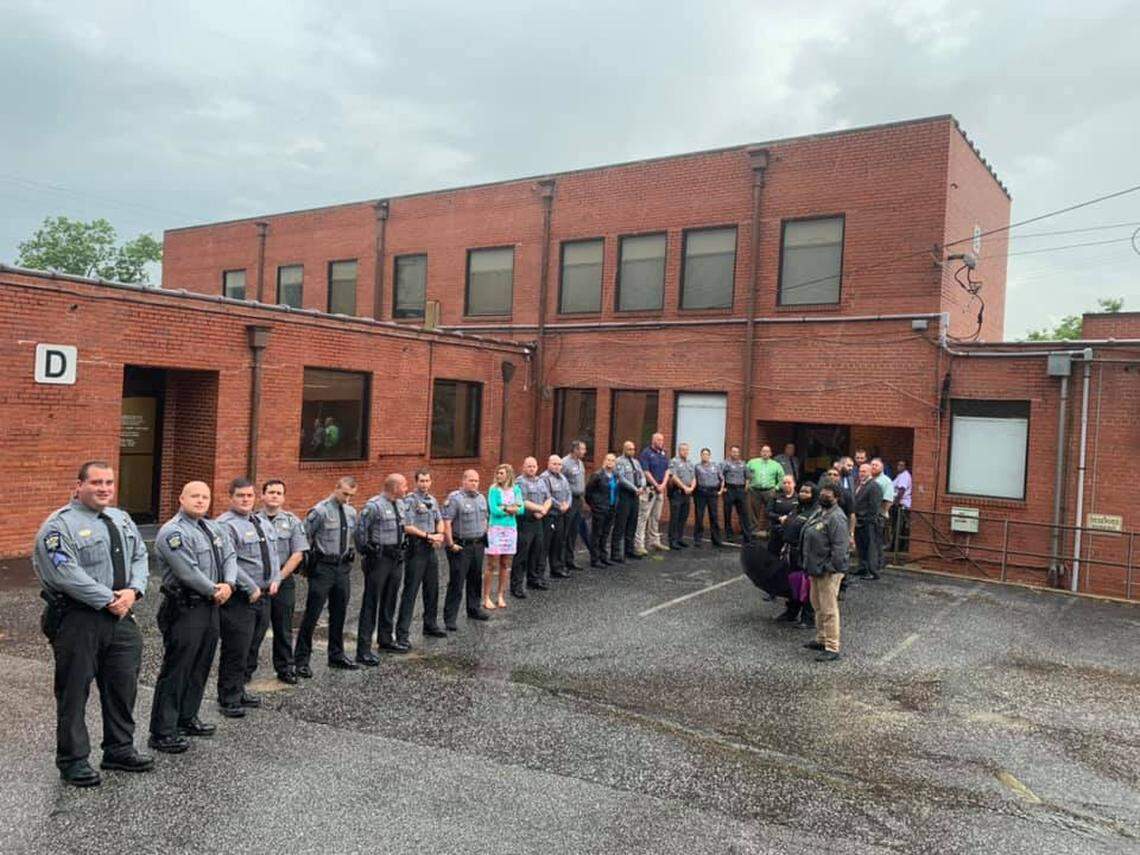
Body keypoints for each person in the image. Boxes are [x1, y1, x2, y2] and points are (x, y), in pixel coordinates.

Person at [33, 460, 152, 786]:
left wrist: (134, 591)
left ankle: (119, 749)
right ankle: (73, 760)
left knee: (123, 686)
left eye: (109, 483)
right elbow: (65, 573)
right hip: (79, 619)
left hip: (123, 616)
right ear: (79, 485)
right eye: (96, 482)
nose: (104, 488)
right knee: (74, 692)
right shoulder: (59, 527)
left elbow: (140, 556)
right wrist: (108, 599)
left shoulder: (121, 518)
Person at [150, 481, 237, 754]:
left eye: (205, 497)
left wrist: (230, 584)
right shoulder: (172, 532)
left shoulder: (213, 528)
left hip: (210, 605)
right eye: (195, 496)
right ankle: (163, 731)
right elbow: (187, 571)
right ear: (181, 498)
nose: (200, 501)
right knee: (178, 668)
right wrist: (214, 590)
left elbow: (230, 556)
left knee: (201, 664)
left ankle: (187, 718)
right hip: (185, 607)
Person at [216, 478, 276, 718]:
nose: (246, 500)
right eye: (240, 496)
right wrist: (250, 587)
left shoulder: (261, 521)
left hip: (263, 595)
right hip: (241, 597)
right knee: (236, 649)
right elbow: (228, 561)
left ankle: (240, 690)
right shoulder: (225, 525)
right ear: (231, 497)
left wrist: (276, 579)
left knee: (252, 646)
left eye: (249, 496)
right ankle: (228, 697)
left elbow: (272, 554)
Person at [295, 476, 360, 675]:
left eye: (351, 495)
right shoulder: (320, 511)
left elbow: (350, 536)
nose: (347, 499)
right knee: (313, 614)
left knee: (339, 612)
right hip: (323, 567)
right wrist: (306, 564)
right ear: (336, 488)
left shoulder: (350, 512)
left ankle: (336, 655)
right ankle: (301, 660)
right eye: (344, 494)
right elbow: (304, 536)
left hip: (342, 567)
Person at [258, 479, 309, 684]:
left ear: (283, 497)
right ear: (262, 495)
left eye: (279, 493)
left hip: (283, 580)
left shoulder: (292, 521)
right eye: (271, 492)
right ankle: (245, 670)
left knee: (283, 627)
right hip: (258, 583)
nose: (274, 496)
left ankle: (286, 668)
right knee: (255, 630)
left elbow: (298, 554)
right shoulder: (252, 521)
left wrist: (279, 578)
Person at [355, 474, 408, 663]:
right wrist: (367, 551)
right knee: (371, 602)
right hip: (379, 558)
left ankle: (386, 639)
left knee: (390, 599)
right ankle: (363, 650)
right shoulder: (374, 506)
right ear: (394, 487)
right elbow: (360, 531)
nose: (406, 488)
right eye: (404, 485)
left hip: (396, 557)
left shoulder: (401, 504)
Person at [399, 468, 448, 646]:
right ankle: (402, 634)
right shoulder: (410, 501)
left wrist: (440, 534)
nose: (425, 484)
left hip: (430, 549)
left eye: (427, 481)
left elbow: (439, 519)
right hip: (416, 549)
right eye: (421, 481)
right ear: (416, 482)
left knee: (432, 589)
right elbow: (407, 526)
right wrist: (428, 536)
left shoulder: (432, 500)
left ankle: (430, 624)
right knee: (410, 592)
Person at [801, 484, 850, 661]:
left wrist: (829, 567)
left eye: (827, 496)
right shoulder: (819, 512)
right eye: (822, 495)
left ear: (836, 498)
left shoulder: (837, 518)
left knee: (829, 609)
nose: (823, 497)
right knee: (817, 605)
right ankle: (821, 638)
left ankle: (832, 646)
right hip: (815, 568)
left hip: (828, 571)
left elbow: (840, 548)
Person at [441, 470, 492, 629]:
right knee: (457, 582)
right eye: (471, 480)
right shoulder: (455, 499)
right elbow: (447, 522)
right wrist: (450, 544)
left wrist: (485, 531)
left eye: (476, 481)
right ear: (463, 481)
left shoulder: (481, 498)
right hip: (460, 546)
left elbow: (486, 518)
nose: (474, 483)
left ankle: (474, 609)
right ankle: (450, 618)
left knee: (475, 578)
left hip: (478, 544)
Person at [777, 481, 818, 627]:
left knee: (807, 586)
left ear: (814, 495)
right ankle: (791, 612)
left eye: (807, 492)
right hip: (791, 552)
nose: (803, 494)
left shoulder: (815, 512)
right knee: (793, 584)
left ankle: (808, 618)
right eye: (802, 491)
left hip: (806, 555)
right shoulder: (797, 509)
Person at [486, 464, 524, 610]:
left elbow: (521, 509)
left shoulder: (516, 489)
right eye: (497, 473)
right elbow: (494, 510)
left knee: (505, 564)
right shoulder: (493, 490)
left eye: (501, 473)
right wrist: (511, 508)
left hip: (510, 529)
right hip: (496, 528)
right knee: (492, 564)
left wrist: (505, 507)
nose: (498, 475)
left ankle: (501, 595)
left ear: (508, 474)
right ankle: (487, 596)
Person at [515, 456, 552, 592]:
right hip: (526, 522)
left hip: (539, 520)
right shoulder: (519, 482)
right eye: (529, 466)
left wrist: (543, 510)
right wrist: (539, 509)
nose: (532, 469)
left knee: (537, 551)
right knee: (522, 554)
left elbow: (548, 498)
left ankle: (533, 579)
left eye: (534, 466)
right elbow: (522, 501)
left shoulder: (540, 481)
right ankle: (517, 585)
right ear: (523, 467)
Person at [613, 441, 647, 563]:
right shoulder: (619, 462)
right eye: (629, 449)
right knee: (621, 524)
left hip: (636, 495)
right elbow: (621, 478)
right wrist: (635, 489)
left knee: (632, 523)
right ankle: (616, 553)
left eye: (633, 449)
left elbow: (642, 476)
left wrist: (642, 487)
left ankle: (629, 550)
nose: (632, 451)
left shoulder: (636, 462)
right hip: (625, 495)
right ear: (624, 449)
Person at [540, 454, 573, 579]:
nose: (557, 466)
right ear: (548, 464)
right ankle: (541, 572)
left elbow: (569, 492)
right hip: (550, 515)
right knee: (545, 544)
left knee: (558, 542)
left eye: (559, 464)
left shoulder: (563, 478)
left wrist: (567, 505)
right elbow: (547, 495)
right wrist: (560, 505)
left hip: (560, 515)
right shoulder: (544, 478)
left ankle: (557, 569)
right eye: (554, 464)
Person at [636, 432, 670, 554]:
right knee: (643, 517)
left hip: (660, 490)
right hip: (649, 490)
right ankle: (639, 544)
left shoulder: (663, 453)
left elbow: (667, 470)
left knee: (656, 517)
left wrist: (663, 485)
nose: (661, 442)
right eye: (659, 440)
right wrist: (656, 485)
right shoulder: (646, 453)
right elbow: (645, 471)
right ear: (653, 441)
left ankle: (654, 541)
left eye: (662, 440)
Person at [585, 453, 619, 568]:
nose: (610, 462)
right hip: (600, 509)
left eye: (613, 460)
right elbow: (588, 491)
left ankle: (603, 556)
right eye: (608, 460)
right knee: (597, 534)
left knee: (605, 533)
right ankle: (595, 559)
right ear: (604, 461)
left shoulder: (615, 475)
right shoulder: (597, 475)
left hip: (611, 508)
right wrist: (594, 505)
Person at [852, 464, 884, 580]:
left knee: (871, 547)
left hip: (868, 523)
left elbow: (874, 507)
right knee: (861, 546)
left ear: (870, 472)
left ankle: (872, 571)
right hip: (859, 522)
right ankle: (863, 568)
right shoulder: (858, 485)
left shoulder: (874, 487)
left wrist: (865, 519)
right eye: (860, 471)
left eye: (864, 471)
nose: (861, 473)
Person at [561, 440, 588, 569]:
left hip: (578, 500)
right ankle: (560, 561)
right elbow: (560, 482)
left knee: (574, 531)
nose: (585, 451)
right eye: (582, 449)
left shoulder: (580, 463)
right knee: (565, 531)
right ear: (575, 450)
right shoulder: (564, 463)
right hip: (569, 500)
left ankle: (570, 560)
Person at [746, 445, 784, 535]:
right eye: (763, 451)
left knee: (770, 511)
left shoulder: (776, 465)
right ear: (760, 452)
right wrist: (747, 483)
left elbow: (782, 478)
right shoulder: (752, 462)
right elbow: (745, 473)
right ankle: (753, 531)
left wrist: (776, 488)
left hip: (769, 491)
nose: (765, 453)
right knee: (753, 511)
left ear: (770, 453)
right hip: (755, 490)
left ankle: (770, 531)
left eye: (767, 451)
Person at [692, 447, 724, 547]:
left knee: (714, 516)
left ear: (709, 456)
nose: (705, 456)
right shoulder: (697, 467)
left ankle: (716, 539)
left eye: (707, 454)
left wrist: (721, 491)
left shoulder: (716, 466)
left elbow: (722, 479)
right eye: (703, 454)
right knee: (699, 516)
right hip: (700, 493)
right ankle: (698, 539)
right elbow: (694, 480)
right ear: (701, 456)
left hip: (713, 493)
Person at [720, 445, 752, 543]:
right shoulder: (725, 463)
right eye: (733, 452)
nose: (735, 454)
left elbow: (747, 476)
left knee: (744, 514)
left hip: (740, 490)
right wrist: (723, 487)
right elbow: (721, 476)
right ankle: (729, 535)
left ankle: (747, 536)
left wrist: (746, 486)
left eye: (737, 452)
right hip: (729, 489)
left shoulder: (743, 464)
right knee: (727, 513)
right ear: (730, 452)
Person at [667, 443, 696, 549]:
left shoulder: (690, 463)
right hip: (677, 493)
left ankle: (679, 539)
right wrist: (684, 487)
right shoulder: (674, 461)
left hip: (687, 493)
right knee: (675, 517)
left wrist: (692, 488)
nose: (685, 452)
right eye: (683, 450)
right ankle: (672, 541)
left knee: (683, 517)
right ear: (679, 451)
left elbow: (694, 477)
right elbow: (673, 476)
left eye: (687, 450)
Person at [871, 458, 895, 573]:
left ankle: (879, 564)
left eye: (876, 465)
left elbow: (888, 499)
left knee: (878, 540)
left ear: (882, 468)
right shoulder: (870, 479)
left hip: (879, 515)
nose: (874, 467)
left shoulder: (886, 481)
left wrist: (883, 513)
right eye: (872, 465)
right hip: (869, 515)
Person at [767, 474, 799, 556]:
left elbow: (800, 514)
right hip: (776, 529)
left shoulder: (798, 498)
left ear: (794, 484)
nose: (786, 485)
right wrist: (779, 518)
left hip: (791, 531)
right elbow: (768, 512)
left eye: (789, 483)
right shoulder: (775, 496)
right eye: (784, 483)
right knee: (772, 555)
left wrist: (788, 519)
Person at [891, 460, 912, 554]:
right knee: (897, 526)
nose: (899, 466)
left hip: (901, 504)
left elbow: (901, 490)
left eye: (902, 465)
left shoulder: (904, 476)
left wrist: (896, 502)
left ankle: (896, 547)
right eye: (898, 464)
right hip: (900, 503)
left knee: (898, 526)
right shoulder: (900, 475)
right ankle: (896, 546)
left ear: (905, 467)